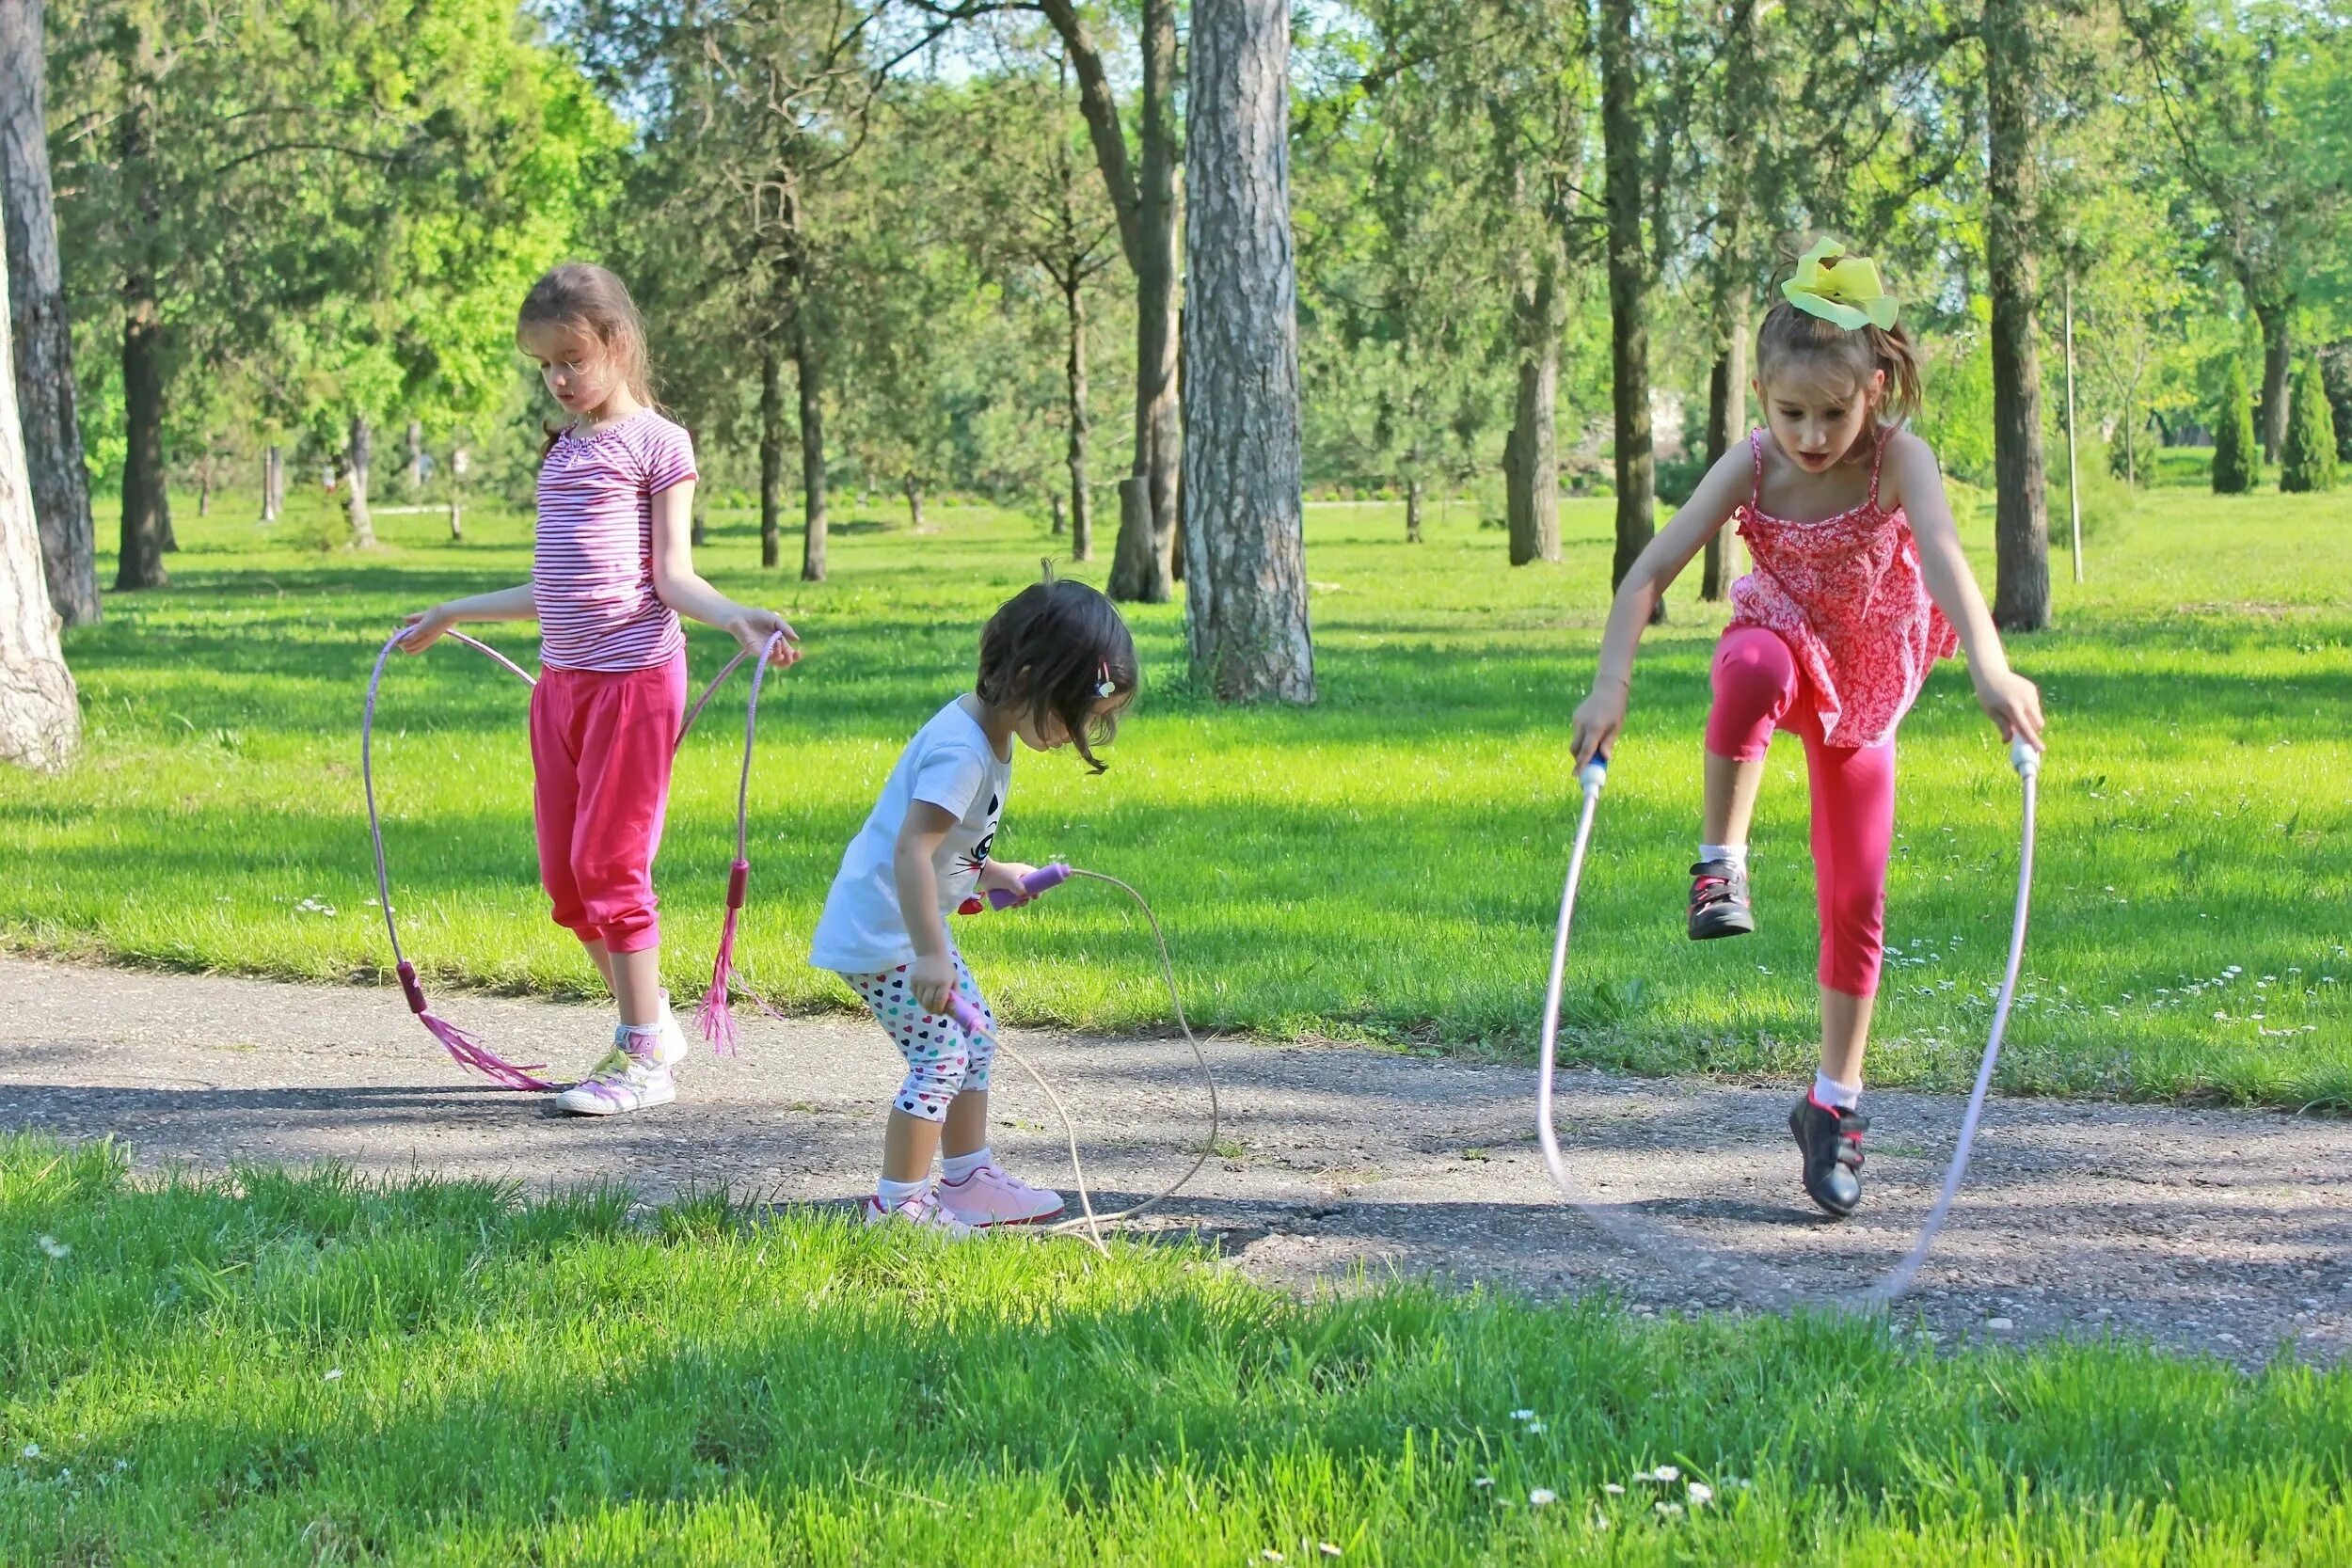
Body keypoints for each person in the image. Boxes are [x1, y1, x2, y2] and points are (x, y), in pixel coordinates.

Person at [1571, 239, 2045, 1217]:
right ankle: (1719, 858)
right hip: (1783, 640)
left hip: (1868, 681)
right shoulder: (1751, 464)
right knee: (1745, 664)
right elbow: (1646, 572)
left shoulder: (1899, 460)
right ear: (1759, 392)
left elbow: (1950, 561)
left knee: (1857, 901)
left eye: (1835, 411)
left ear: (1875, 387)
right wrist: (1608, 684)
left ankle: (1831, 1106)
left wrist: (1991, 667)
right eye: (1791, 413)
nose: (1813, 434)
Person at [398, 262, 799, 1116]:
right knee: (566, 880)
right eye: (545, 365)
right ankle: (647, 1018)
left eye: (572, 358)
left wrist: (735, 617)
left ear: (617, 342)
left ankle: (644, 1057)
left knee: (611, 865)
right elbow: (555, 587)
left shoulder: (660, 443)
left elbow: (673, 576)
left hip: (634, 684)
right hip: (563, 687)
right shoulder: (564, 451)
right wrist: (451, 612)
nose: (559, 379)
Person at [810, 580, 1137, 1233]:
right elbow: (910, 852)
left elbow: (946, 849)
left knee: (975, 1034)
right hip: (887, 932)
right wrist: (931, 952)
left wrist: (995, 872)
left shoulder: (989, 733)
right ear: (1025, 679)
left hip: (911, 922)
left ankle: (966, 1179)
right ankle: (897, 1205)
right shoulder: (962, 752)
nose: (1080, 733)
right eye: (1075, 715)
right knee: (941, 1055)